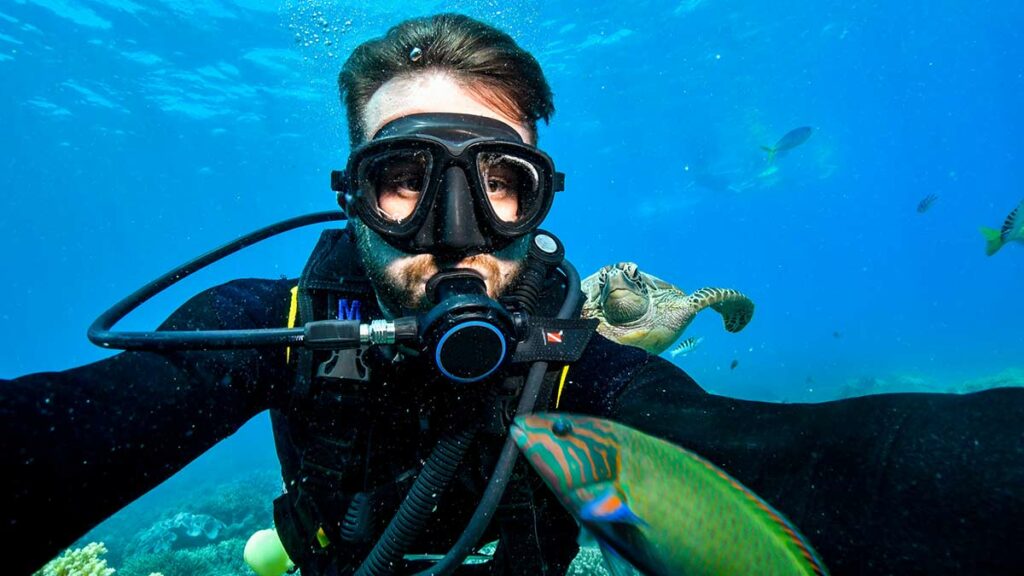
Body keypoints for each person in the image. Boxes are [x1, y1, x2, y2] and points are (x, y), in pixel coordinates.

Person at [2, 13, 1023, 576]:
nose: (453, 229)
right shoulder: (275, 323)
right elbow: (77, 427)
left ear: (539, 202)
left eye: (499, 181)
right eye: (404, 177)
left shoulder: (572, 356)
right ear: (350, 197)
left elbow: (812, 462)